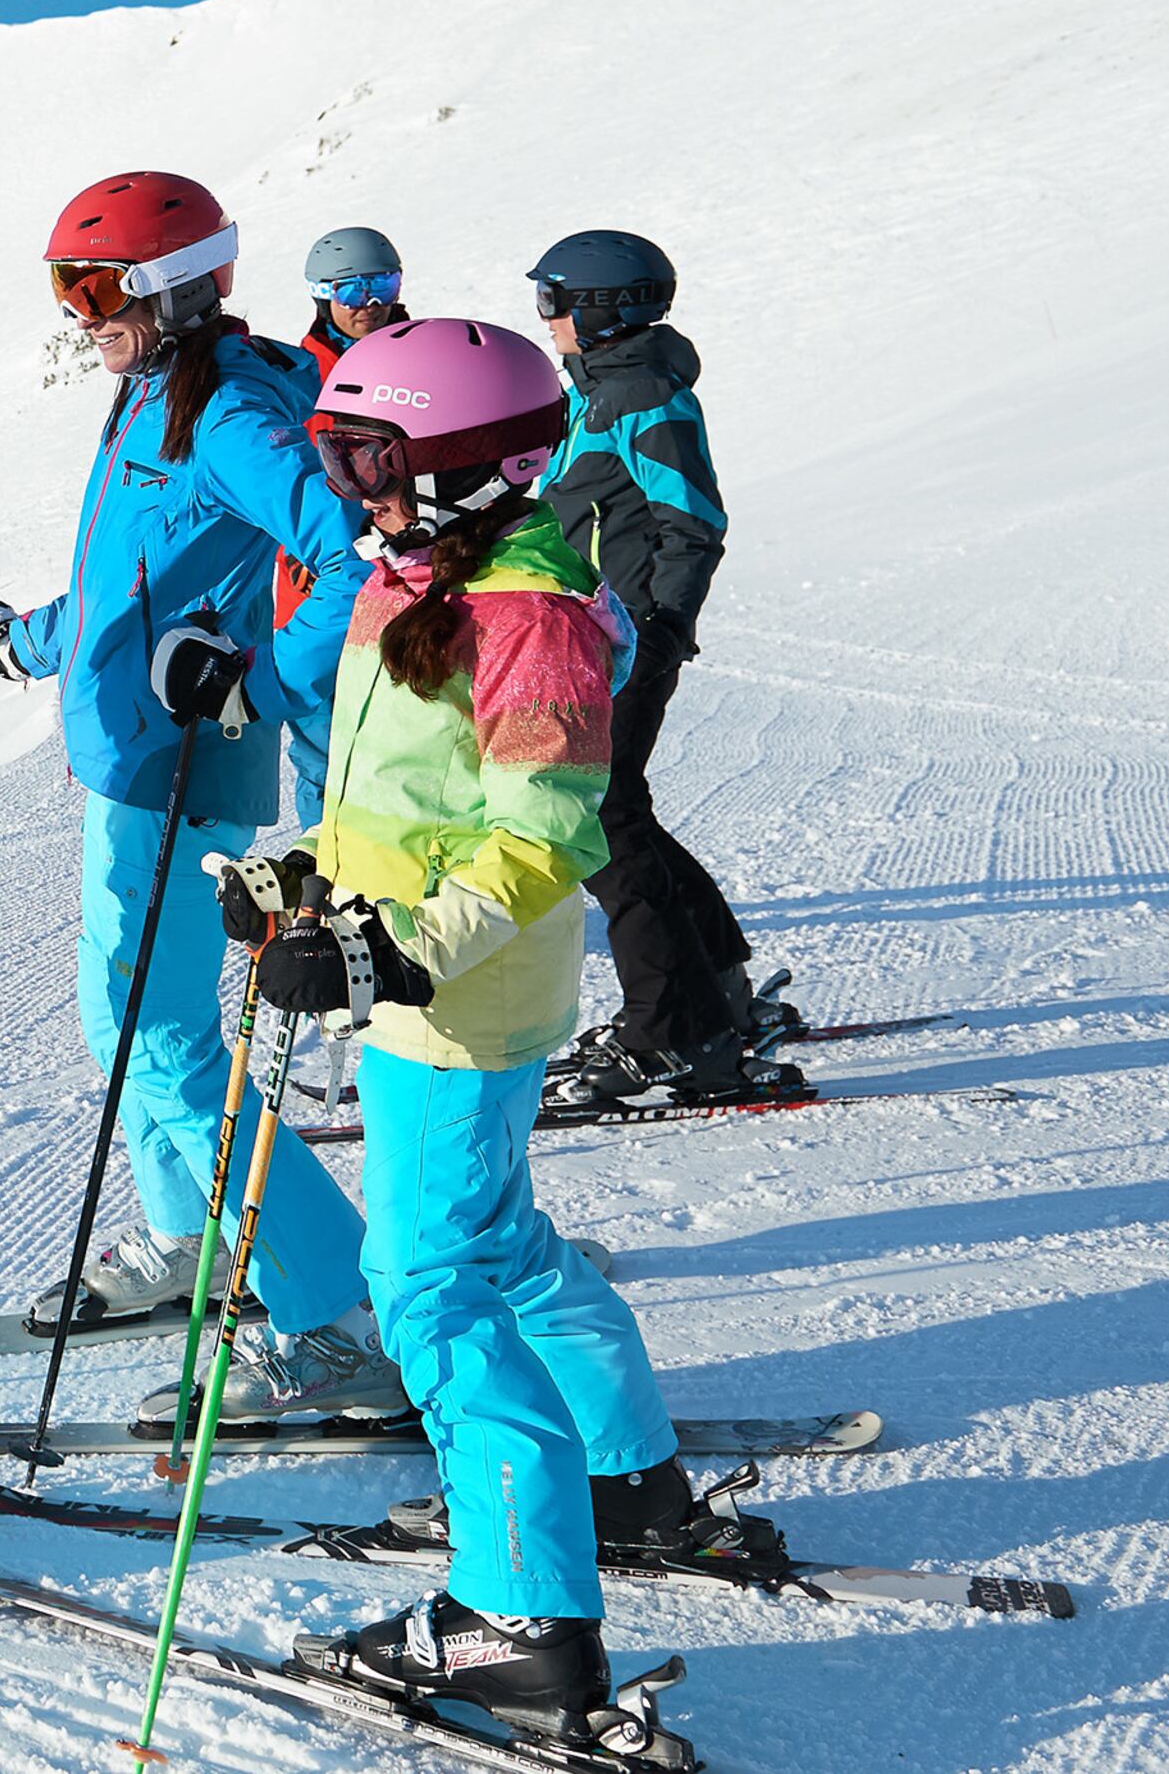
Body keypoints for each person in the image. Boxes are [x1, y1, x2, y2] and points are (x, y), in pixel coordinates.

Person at [226, 317, 766, 1745]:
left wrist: (389, 950)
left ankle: (519, 1614)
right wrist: (307, 887)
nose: (349, 485)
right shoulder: (409, 583)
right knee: (502, 1246)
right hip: (430, 987)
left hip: (457, 1003)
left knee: (433, 1288)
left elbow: (540, 829)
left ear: (467, 464)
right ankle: (622, 1473)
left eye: (371, 456)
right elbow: (410, 805)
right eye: (337, 455)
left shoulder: (527, 611)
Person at [0, 171, 397, 1422]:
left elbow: (357, 557)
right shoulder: (152, 395)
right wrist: (28, 642)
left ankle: (334, 1316)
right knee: (122, 1030)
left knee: (167, 1044)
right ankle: (198, 1241)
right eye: (64, 290)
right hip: (129, 758)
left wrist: (257, 679)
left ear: (168, 285)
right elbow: (127, 589)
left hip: (182, 763)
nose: (76, 315)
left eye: (92, 288)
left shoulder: (234, 415)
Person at [522, 231, 799, 1110]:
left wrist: (660, 624)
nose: (549, 320)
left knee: (599, 821)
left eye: (554, 301)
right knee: (620, 812)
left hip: (624, 637)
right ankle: (715, 998)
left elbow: (693, 520)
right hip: (601, 629)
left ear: (603, 309)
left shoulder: (640, 395)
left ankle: (672, 1033)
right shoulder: (605, 390)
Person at [274, 226, 412, 827]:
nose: (367, 301)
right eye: (348, 288)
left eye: (381, 283)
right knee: (323, 755)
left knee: (406, 749)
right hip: (316, 588)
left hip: (406, 579)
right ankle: (324, 895)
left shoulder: (423, 364)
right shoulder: (297, 379)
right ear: (320, 294)